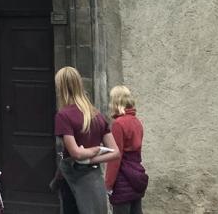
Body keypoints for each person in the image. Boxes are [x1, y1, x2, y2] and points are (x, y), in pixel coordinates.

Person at [53, 66, 120, 214]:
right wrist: (92, 160)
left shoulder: (63, 116)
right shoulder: (97, 115)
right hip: (94, 177)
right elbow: (116, 152)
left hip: (74, 179)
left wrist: (91, 152)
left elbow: (75, 153)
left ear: (60, 88)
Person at [105, 85, 148, 214]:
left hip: (122, 181)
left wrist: (108, 184)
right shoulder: (137, 122)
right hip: (136, 178)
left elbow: (115, 158)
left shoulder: (118, 124)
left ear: (116, 102)